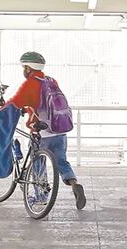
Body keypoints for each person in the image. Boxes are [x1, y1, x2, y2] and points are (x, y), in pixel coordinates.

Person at [5, 51, 87, 210]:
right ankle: (74, 184)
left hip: (42, 134)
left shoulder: (30, 83)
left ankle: (41, 197)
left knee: (38, 164)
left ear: (28, 68)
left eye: (24, 67)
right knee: (62, 162)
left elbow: (14, 103)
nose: (23, 71)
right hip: (60, 131)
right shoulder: (51, 80)